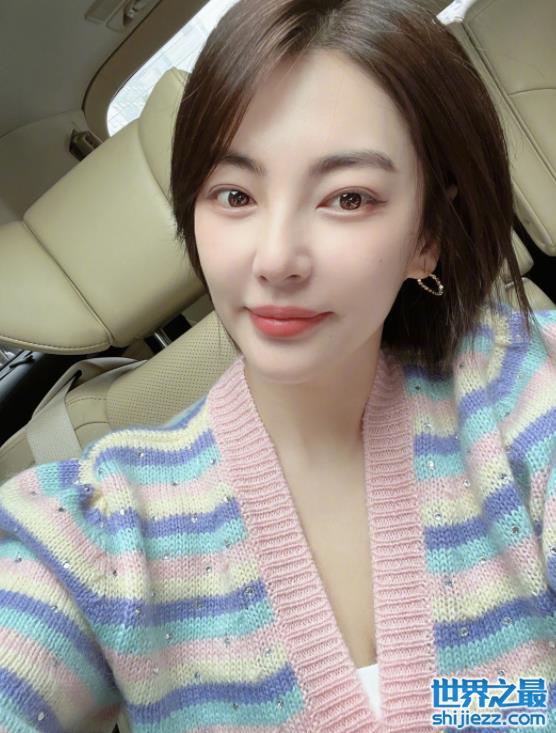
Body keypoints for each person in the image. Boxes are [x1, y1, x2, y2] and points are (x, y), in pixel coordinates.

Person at [1, 0, 555, 731]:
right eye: (235, 195)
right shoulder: (103, 525)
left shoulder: (525, 384)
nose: (275, 259)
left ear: (426, 236)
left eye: (348, 198)